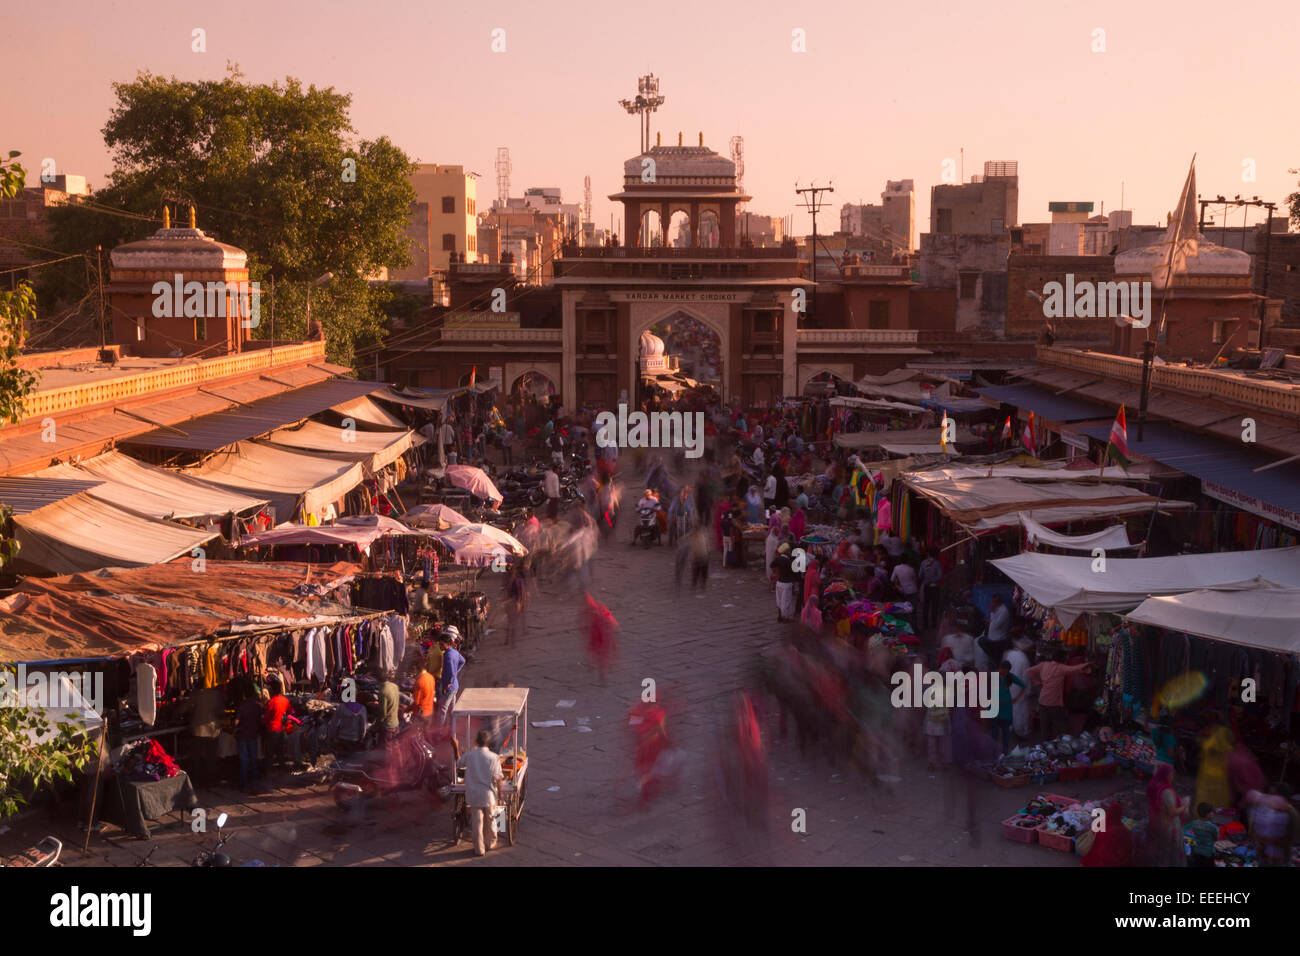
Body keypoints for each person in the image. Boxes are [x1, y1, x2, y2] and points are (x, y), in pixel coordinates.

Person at [1026, 649, 1091, 740]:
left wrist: (1036, 682)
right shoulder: (1061, 668)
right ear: (1062, 659)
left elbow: (1029, 671)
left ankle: (1045, 748)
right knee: (1062, 728)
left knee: (1045, 728)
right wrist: (1087, 665)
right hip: (1054, 703)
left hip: (1042, 701)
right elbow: (1074, 669)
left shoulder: (1043, 665)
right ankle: (1066, 745)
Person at [461, 729, 505, 856]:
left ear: (476, 742)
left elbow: (459, 763)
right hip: (489, 795)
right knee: (492, 819)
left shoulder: (469, 755)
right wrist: (501, 794)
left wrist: (456, 747)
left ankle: (479, 849)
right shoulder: (494, 758)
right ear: (489, 743)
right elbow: (498, 777)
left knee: (477, 822)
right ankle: (491, 843)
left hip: (473, 794)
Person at [1145, 762, 1189, 867]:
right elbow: (1173, 812)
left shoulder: (1155, 784)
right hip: (1170, 826)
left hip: (1158, 820)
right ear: (1166, 775)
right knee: (1171, 852)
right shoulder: (1167, 791)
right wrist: (1185, 806)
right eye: (1171, 774)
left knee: (1163, 851)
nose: (1172, 777)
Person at [262, 675, 305, 771]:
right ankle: (281, 772)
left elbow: (266, 719)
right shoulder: (285, 700)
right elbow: (292, 713)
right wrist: (286, 719)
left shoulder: (271, 702)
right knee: (280, 753)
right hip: (281, 730)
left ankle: (269, 774)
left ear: (272, 690)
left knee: (269, 754)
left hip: (271, 730)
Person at [234, 682, 263, 791]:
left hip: (242, 735)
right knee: (253, 759)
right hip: (253, 734)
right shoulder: (258, 706)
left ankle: (244, 783)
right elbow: (261, 721)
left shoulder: (242, 706)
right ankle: (255, 781)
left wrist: (235, 728)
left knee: (244, 760)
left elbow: (236, 721)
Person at [1003, 637, 1033, 739]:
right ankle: (1021, 731)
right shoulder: (1024, 659)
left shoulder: (1010, 654)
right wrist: (1027, 691)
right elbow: (1025, 678)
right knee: (1020, 710)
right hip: (1019, 688)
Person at [991, 660, 1023, 755]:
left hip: (1006, 708)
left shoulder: (1011, 677)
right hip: (993, 707)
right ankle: (994, 751)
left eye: (1005, 671)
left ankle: (1005, 752)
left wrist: (1016, 698)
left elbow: (1024, 686)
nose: (1003, 672)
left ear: (1008, 671)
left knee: (1006, 732)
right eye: (1002, 669)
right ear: (999, 668)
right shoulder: (992, 675)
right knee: (994, 732)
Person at [437, 632, 466, 726]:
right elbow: (463, 661)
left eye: (442, 644)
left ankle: (439, 731)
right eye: (439, 644)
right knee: (452, 709)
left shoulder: (448, 656)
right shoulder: (454, 652)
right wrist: (455, 674)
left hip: (449, 687)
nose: (440, 646)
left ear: (448, 644)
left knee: (442, 710)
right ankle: (452, 728)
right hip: (455, 686)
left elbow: (452, 672)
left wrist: (448, 683)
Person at [978, 594, 1013, 668]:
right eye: (993, 602)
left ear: (999, 601)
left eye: (995, 602)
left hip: (998, 640)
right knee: (981, 641)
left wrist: (992, 612)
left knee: (996, 661)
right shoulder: (997, 609)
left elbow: (996, 625)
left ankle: (997, 676)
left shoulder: (1004, 611)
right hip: (992, 638)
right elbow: (993, 621)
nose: (993, 603)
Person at [1185, 802, 1219, 868]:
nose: (1213, 813)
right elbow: (1216, 838)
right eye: (1212, 812)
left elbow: (1192, 832)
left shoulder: (1194, 823)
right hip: (1208, 853)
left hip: (1196, 851)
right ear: (1207, 814)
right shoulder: (1213, 827)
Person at [918, 547, 943, 630]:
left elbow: (920, 575)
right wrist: (932, 580)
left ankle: (925, 623)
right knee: (934, 605)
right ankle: (933, 623)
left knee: (926, 605)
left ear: (928, 554)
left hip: (926, 586)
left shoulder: (923, 563)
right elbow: (940, 576)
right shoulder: (937, 563)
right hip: (935, 587)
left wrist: (926, 580)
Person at [773, 542, 798, 622]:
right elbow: (792, 572)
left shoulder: (778, 559)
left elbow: (772, 566)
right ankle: (785, 618)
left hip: (779, 582)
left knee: (779, 600)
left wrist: (778, 571)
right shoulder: (788, 561)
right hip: (786, 583)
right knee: (786, 601)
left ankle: (779, 616)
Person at [376, 668, 401, 745]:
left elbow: (383, 714)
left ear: (377, 680)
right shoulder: (394, 686)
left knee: (388, 749)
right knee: (396, 747)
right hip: (396, 723)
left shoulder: (383, 691)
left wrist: (376, 725)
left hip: (388, 726)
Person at [409, 659, 436, 727]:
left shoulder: (419, 681)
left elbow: (416, 703)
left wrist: (406, 710)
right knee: (426, 733)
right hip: (430, 711)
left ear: (416, 669)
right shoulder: (431, 677)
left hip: (421, 714)